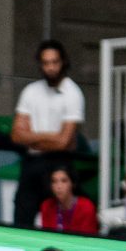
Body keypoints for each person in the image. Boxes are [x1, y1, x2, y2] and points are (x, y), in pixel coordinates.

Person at [9, 39, 86, 228]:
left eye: (55, 62)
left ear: (63, 62)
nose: (51, 67)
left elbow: (64, 142)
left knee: (56, 219)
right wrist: (51, 136)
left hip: (59, 161)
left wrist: (33, 137)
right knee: (22, 214)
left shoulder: (72, 93)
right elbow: (16, 136)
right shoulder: (31, 91)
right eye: (46, 63)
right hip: (32, 162)